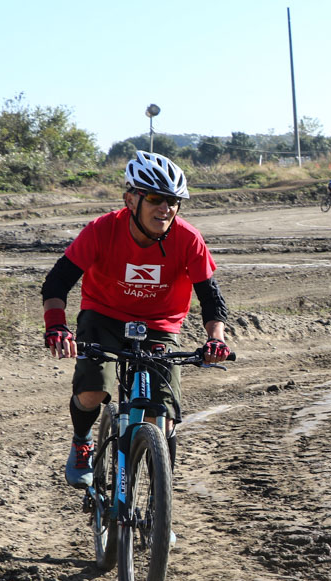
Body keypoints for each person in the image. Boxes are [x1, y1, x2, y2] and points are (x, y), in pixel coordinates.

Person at [41, 150, 230, 489]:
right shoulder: (102, 230)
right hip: (104, 315)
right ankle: (82, 442)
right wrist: (56, 326)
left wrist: (216, 338)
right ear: (130, 199)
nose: (166, 208)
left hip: (160, 324)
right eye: (156, 198)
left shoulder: (188, 239)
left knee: (164, 418)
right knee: (93, 389)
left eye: (173, 201)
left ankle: (160, 504)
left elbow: (211, 298)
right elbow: (56, 283)